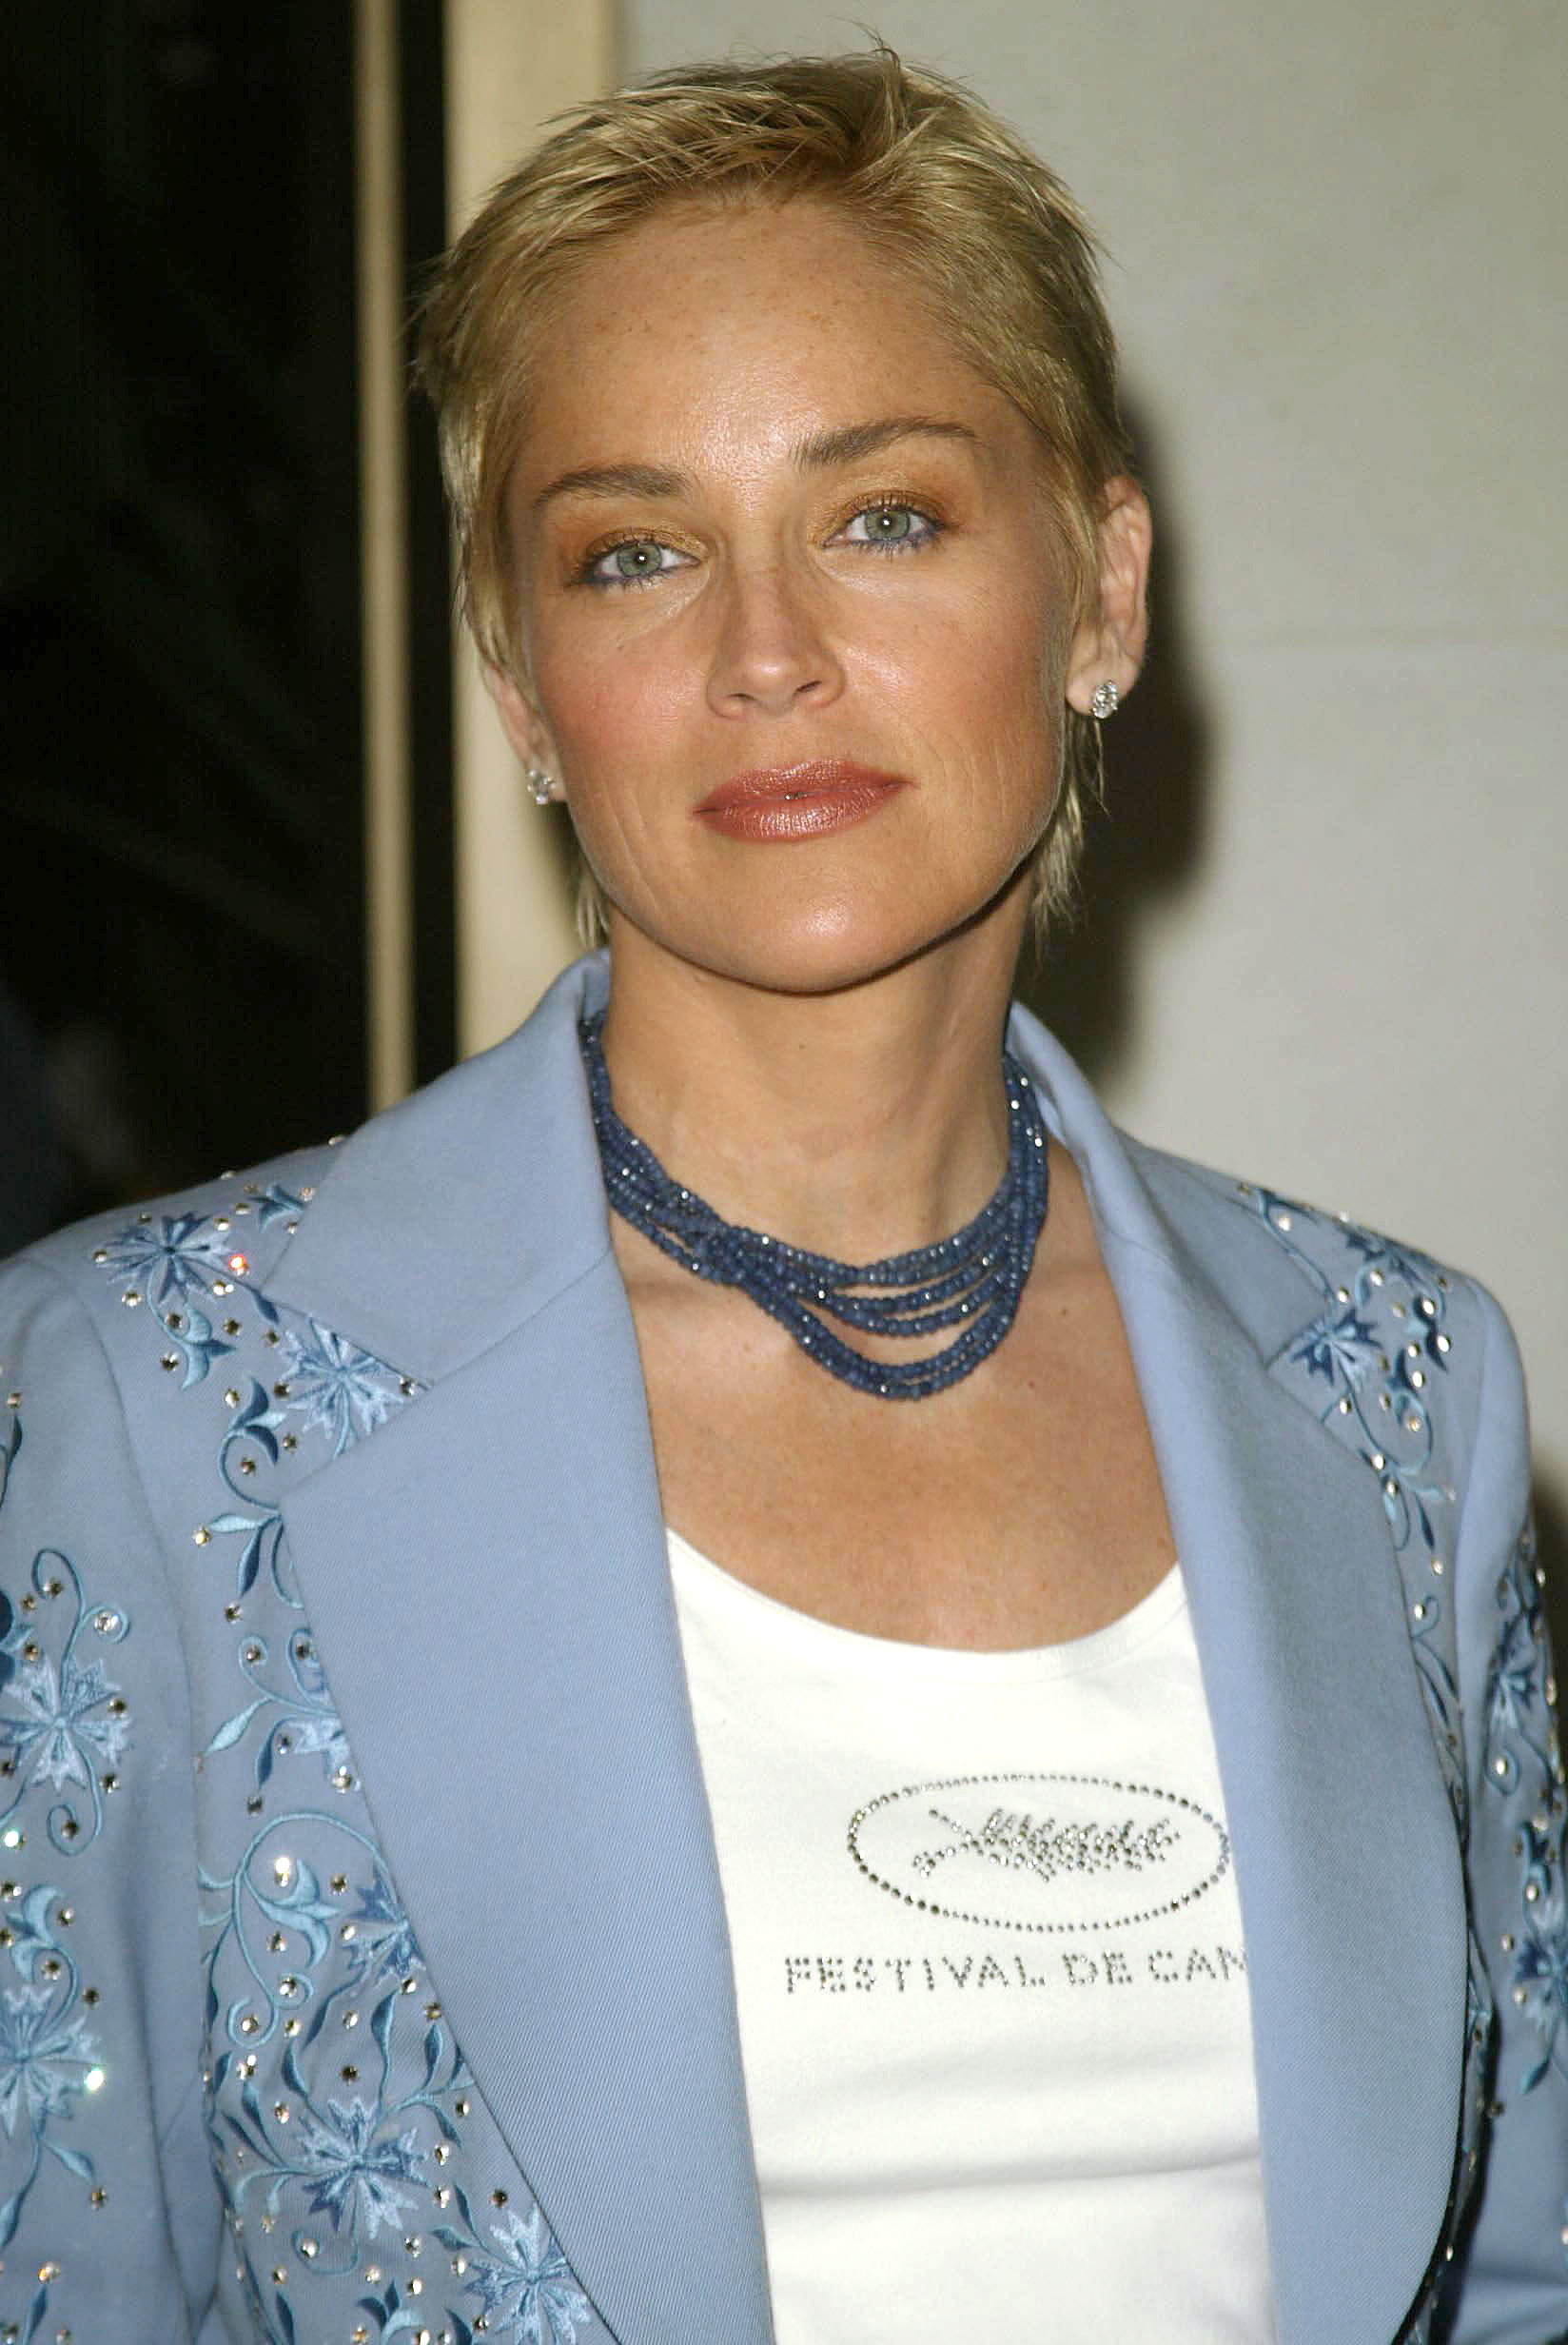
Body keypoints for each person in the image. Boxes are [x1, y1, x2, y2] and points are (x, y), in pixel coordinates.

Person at [0, 46, 1562, 2345]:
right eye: (633, 553)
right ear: (519, 681)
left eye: (883, 516)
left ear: (1101, 590)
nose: (763, 655)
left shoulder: (1396, 1386)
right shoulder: (152, 1397)